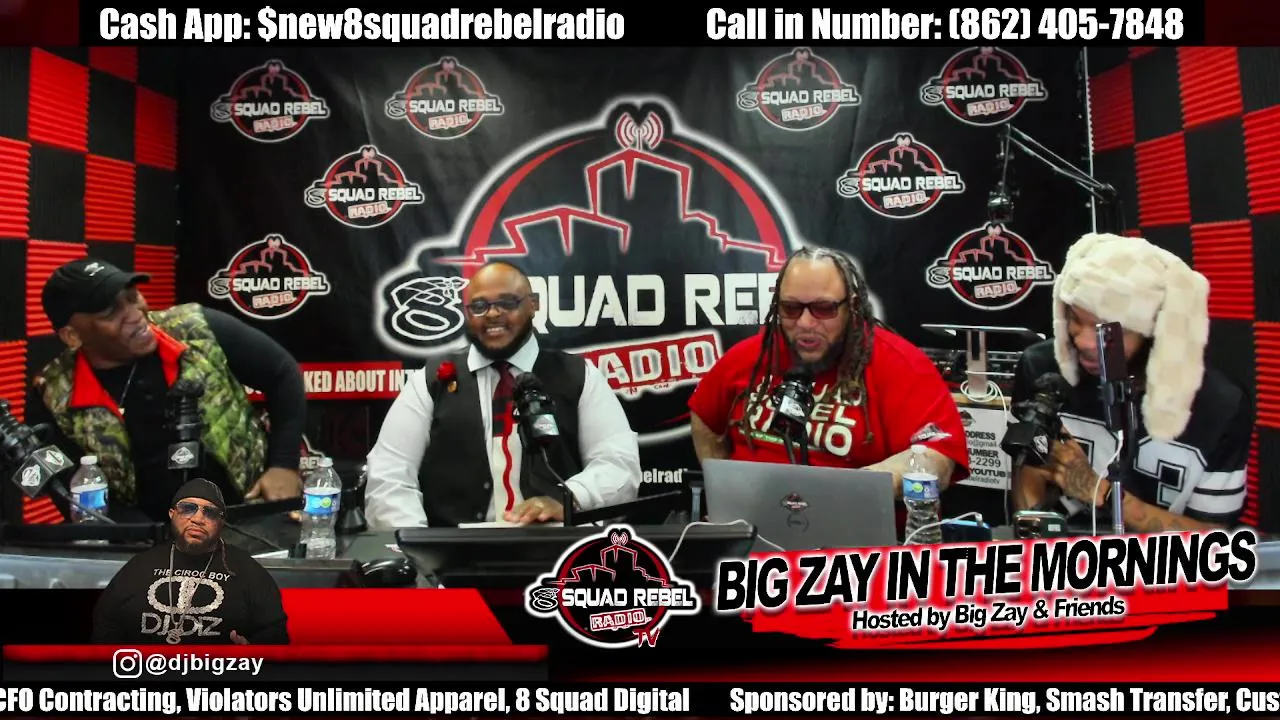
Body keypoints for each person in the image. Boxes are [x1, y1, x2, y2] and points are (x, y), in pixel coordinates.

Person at [5, 259, 307, 525]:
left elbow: (283, 373)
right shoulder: (53, 394)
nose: (135, 313)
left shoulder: (196, 328)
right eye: (111, 311)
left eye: (132, 296)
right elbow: (70, 492)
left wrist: (283, 464)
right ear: (72, 336)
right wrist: (143, 539)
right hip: (143, 542)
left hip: (248, 514)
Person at [364, 261, 641, 528]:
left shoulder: (578, 376)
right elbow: (390, 473)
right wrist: (417, 546)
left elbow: (619, 465)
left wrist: (570, 499)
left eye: (507, 303)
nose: (493, 314)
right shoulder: (431, 380)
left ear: (533, 304)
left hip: (555, 550)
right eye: (479, 306)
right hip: (454, 553)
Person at [1011, 232, 1251, 531]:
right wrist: (1037, 540)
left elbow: (1213, 537)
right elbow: (1029, 476)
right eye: (1076, 319)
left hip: (1163, 558)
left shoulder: (1219, 405)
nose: (1084, 341)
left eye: (1108, 329)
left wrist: (1101, 492)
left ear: (1154, 333)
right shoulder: (1042, 367)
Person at [688, 247, 970, 501]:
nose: (805, 322)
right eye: (791, 308)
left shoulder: (901, 365)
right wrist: (726, 492)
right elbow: (703, 415)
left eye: (824, 309)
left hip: (857, 530)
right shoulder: (752, 355)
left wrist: (850, 492)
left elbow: (938, 461)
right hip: (754, 526)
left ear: (852, 306)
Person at [92, 479, 289, 645]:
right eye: (188, 509)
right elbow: (105, 624)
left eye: (210, 512)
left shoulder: (246, 570)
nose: (198, 519)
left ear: (221, 523)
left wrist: (252, 654)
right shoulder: (140, 565)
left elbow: (276, 635)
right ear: (172, 514)